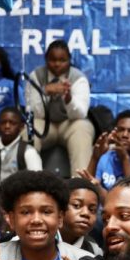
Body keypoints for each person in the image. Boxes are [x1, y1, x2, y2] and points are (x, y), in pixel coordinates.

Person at [26, 40, 95, 174]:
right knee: (28, 130)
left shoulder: (78, 77)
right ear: (46, 59)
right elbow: (34, 112)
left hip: (69, 124)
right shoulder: (36, 76)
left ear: (69, 60)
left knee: (83, 128)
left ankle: (80, 184)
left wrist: (68, 98)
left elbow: (81, 114)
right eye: (53, 59)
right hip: (45, 124)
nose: (57, 64)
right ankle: (33, 180)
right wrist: (45, 92)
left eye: (62, 60)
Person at [87, 111, 130, 197]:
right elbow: (88, 189)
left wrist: (125, 159)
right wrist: (95, 158)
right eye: (121, 130)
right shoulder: (104, 158)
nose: (125, 135)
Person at [0, 106, 42, 190]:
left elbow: (38, 183)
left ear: (21, 127)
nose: (7, 126)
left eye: (12, 123)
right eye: (3, 123)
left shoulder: (29, 152)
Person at [60, 178, 103, 256]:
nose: (86, 213)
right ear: (60, 207)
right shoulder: (44, 241)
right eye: (77, 205)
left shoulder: (94, 252)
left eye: (92, 209)